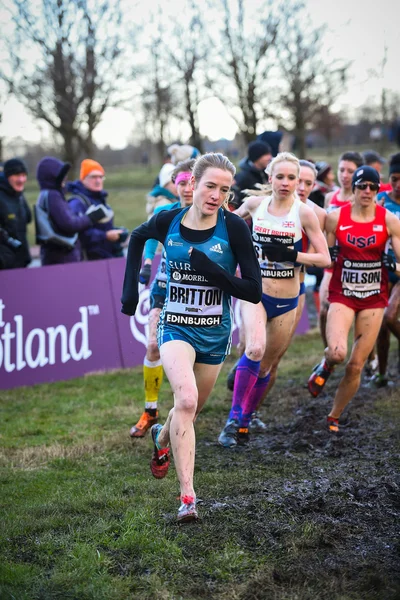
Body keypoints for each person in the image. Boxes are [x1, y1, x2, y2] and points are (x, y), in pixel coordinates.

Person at [121, 153, 262, 521]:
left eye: (225, 190)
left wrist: (214, 272)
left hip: (214, 333)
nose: (217, 195)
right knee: (185, 399)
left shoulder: (233, 228)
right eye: (210, 186)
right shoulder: (170, 218)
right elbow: (137, 237)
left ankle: (161, 438)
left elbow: (252, 290)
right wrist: (129, 292)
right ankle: (188, 499)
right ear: (193, 185)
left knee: (191, 410)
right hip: (176, 325)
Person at [218, 152, 330, 448]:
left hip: (288, 299)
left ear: (298, 181)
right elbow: (224, 223)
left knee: (266, 365)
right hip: (255, 292)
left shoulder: (304, 213)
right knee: (254, 349)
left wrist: (293, 255)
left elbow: (325, 258)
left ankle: (246, 419)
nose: (285, 182)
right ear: (270, 178)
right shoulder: (256, 205)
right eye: (279, 177)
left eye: (291, 178)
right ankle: (232, 420)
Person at [308, 166, 400, 432]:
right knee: (338, 352)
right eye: (363, 186)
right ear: (355, 189)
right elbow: (324, 256)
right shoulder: (336, 218)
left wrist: (391, 264)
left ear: (378, 188)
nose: (368, 192)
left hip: (374, 298)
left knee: (356, 364)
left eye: (373, 187)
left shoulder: (389, 220)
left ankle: (334, 416)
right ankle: (326, 363)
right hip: (343, 294)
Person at [129, 159, 196, 438]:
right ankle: (151, 409)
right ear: (173, 185)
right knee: (153, 345)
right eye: (180, 182)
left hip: (197, 294)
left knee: (190, 358)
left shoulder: (212, 214)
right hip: (163, 287)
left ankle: (184, 410)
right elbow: (148, 238)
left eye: (191, 182)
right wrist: (146, 264)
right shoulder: (163, 211)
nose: (186, 188)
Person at [319, 152, 364, 347]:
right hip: (332, 261)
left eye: (351, 171)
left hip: (356, 262)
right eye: (342, 170)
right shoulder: (330, 197)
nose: (345, 175)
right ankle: (327, 353)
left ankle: (368, 356)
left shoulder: (362, 199)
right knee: (323, 308)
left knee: (357, 313)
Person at [36, 157, 113, 266]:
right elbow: (69, 224)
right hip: (63, 256)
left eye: (101, 177)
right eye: (93, 177)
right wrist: (91, 217)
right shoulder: (54, 195)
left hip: (61, 256)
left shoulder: (47, 194)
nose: (65, 178)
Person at [373, 153, 400, 386]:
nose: (399, 185)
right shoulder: (380, 200)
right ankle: (382, 374)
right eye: (395, 179)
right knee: (381, 324)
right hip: (382, 270)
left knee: (391, 316)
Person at [68, 159, 126, 260]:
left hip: (107, 257)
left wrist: (117, 232)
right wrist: (105, 236)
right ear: (83, 179)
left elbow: (101, 227)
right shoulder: (77, 203)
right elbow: (77, 234)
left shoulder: (100, 199)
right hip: (89, 262)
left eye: (101, 177)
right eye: (93, 177)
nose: (98, 180)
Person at [0, 158, 32, 269]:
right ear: (7, 176)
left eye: (24, 175)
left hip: (22, 261)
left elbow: (28, 218)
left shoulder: (20, 196)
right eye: (17, 175)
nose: (21, 179)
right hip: (5, 266)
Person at [230, 141, 272, 208]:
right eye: (266, 154)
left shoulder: (266, 173)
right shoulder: (243, 178)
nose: (270, 157)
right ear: (257, 156)